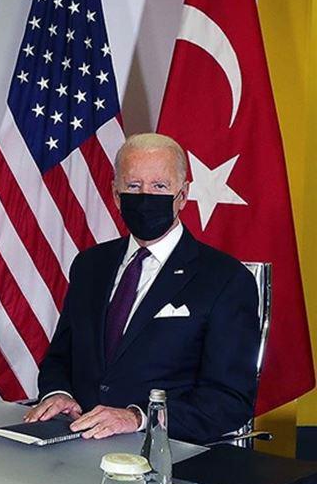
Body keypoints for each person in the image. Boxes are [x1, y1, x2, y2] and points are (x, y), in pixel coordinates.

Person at [24, 133, 260, 444]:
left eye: (159, 186)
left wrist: (139, 418)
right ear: (116, 194)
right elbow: (60, 356)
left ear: (183, 194)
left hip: (164, 455)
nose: (145, 196)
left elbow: (229, 400)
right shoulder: (90, 265)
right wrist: (58, 393)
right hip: (74, 443)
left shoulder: (226, 279)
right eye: (134, 186)